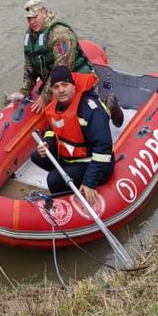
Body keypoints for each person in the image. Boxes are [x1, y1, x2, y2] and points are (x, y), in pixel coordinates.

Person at [30, 64, 114, 208]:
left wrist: (89, 181)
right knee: (37, 155)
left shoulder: (91, 109)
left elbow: (103, 149)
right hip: (69, 159)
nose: (61, 90)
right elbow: (52, 128)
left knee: (54, 180)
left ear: (73, 85)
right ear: (52, 90)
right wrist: (47, 143)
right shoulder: (57, 105)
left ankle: (70, 199)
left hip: (93, 163)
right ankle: (70, 178)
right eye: (56, 87)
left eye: (65, 84)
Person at [9, 0, 92, 105]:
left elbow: (62, 68)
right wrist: (24, 91)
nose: (32, 22)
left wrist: (44, 97)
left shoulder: (60, 34)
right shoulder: (31, 34)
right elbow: (30, 65)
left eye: (35, 17)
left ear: (44, 13)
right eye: (29, 18)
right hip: (54, 80)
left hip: (76, 78)